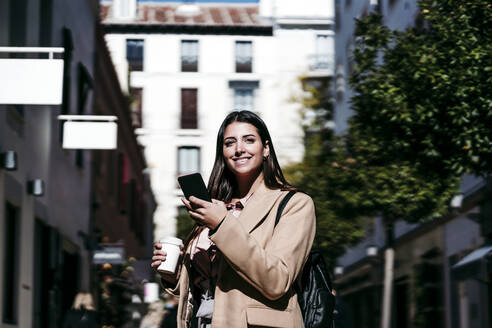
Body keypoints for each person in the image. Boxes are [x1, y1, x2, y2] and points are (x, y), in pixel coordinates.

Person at [151, 110, 316, 327]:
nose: (239, 149)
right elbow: (210, 287)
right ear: (223, 152)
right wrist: (175, 274)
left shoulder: (294, 204)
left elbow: (277, 281)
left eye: (249, 140)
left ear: (266, 148)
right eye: (230, 143)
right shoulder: (216, 207)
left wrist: (222, 224)